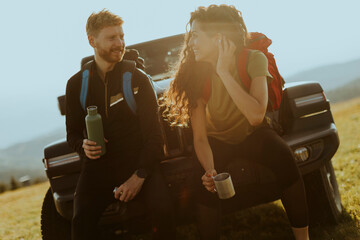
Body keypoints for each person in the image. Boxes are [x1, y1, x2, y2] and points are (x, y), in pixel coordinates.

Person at [163, 4, 309, 240]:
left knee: (284, 157)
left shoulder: (253, 59)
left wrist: (223, 71)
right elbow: (200, 138)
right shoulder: (193, 75)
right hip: (216, 141)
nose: (191, 43)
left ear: (218, 38)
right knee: (202, 185)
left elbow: (255, 115)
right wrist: (210, 171)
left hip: (253, 134)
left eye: (196, 36)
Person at [65, 9, 175, 240]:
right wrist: (82, 146)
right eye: (112, 38)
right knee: (80, 221)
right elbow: (72, 134)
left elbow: (156, 138)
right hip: (97, 167)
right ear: (92, 41)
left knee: (163, 210)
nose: (120, 43)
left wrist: (139, 176)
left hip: (139, 162)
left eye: (121, 36)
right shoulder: (76, 84)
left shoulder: (138, 79)